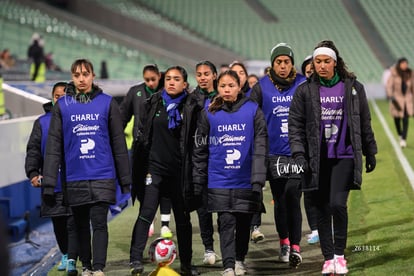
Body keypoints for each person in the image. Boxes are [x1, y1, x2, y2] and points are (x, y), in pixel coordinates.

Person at [288, 40, 378, 275]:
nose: (322, 66)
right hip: (317, 159)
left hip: (344, 156)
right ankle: (328, 259)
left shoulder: (353, 87)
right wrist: (299, 153)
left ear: (335, 63)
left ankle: (340, 255)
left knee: (338, 204)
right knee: (321, 209)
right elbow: (295, 125)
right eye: (318, 62)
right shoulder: (305, 91)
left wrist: (370, 151)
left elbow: (363, 122)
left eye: (326, 61)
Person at [42, 59, 132, 276]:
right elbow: (54, 147)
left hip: (102, 174)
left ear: (93, 76)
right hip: (74, 176)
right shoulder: (62, 106)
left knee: (100, 223)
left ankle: (98, 268)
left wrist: (125, 179)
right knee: (81, 225)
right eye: (76, 75)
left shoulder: (107, 103)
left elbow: (118, 144)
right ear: (72, 77)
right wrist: (49, 181)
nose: (81, 79)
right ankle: (87, 266)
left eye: (85, 74)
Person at [192, 70, 267, 276]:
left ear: (239, 87)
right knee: (225, 223)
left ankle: (240, 260)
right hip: (219, 180)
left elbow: (261, 145)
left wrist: (258, 178)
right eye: (223, 86)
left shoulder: (253, 110)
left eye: (231, 86)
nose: (227, 89)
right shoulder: (209, 113)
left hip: (245, 179)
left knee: (243, 224)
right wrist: (199, 179)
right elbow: (200, 149)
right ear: (218, 88)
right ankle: (228, 266)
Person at [129, 66, 199, 276]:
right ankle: (135, 260)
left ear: (185, 84)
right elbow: (143, 136)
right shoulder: (153, 103)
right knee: (146, 213)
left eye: (176, 79)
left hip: (179, 172)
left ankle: (186, 264)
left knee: (183, 219)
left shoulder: (192, 106)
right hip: (155, 169)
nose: (171, 82)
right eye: (168, 78)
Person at [250, 42, 306, 268]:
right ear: (272, 64)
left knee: (294, 196)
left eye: (287, 62)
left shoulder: (303, 83)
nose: (283, 66)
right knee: (281, 200)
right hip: (273, 156)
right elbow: (251, 117)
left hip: (297, 153)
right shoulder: (261, 87)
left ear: (292, 63)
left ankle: (296, 247)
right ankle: (284, 243)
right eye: (278, 62)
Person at [24, 82, 78, 274]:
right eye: (57, 96)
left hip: (75, 182)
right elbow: (33, 150)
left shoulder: (79, 119)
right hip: (51, 183)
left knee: (73, 222)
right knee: (59, 222)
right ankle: (65, 253)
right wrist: (32, 172)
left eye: (65, 96)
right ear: (52, 98)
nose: (61, 99)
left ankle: (72, 258)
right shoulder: (42, 122)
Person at [119, 64, 173, 239]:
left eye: (153, 79)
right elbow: (122, 117)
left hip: (163, 147)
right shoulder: (135, 93)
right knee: (143, 186)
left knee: (165, 186)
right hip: (141, 149)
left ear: (159, 76)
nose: (150, 83)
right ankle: (148, 220)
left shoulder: (168, 92)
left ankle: (165, 224)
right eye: (147, 80)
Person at [189, 60, 219, 265]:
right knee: (203, 208)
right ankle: (208, 248)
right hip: (199, 160)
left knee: (227, 208)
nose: (202, 77)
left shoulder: (225, 95)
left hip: (223, 159)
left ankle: (231, 248)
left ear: (214, 75)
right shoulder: (190, 100)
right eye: (199, 74)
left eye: (206, 73)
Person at [299, 55, 319, 245]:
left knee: (327, 192)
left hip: (325, 151)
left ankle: (325, 226)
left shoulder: (329, 91)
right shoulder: (301, 92)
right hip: (305, 151)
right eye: (308, 70)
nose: (312, 72)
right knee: (309, 191)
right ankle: (315, 229)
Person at [386, 57, 414, 148]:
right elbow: (389, 85)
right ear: (399, 64)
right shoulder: (394, 73)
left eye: (406, 64)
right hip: (397, 100)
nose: (405, 65)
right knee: (397, 119)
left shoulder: (410, 73)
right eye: (403, 64)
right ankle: (400, 133)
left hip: (407, 100)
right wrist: (390, 96)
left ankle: (403, 139)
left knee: (406, 119)